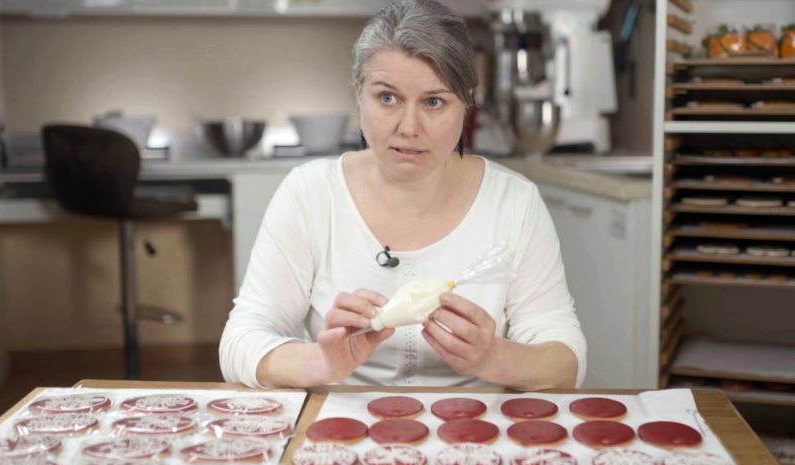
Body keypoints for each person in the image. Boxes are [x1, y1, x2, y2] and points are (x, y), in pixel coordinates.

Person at [219, 0, 585, 390]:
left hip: (473, 422)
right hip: (340, 421)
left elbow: (567, 362)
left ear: (467, 104)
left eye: (433, 102)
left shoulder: (514, 202)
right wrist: (322, 363)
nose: (409, 128)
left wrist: (494, 357)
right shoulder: (310, 194)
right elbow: (241, 341)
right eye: (388, 98)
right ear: (358, 95)